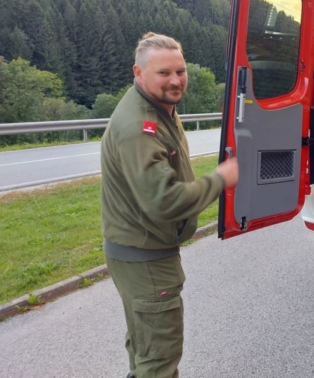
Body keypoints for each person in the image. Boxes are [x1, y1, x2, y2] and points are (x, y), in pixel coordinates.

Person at [101, 32, 238, 378]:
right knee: (159, 360)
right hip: (145, 257)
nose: (175, 80)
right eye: (164, 73)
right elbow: (164, 201)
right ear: (139, 72)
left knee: (145, 348)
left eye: (180, 71)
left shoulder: (160, 107)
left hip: (140, 250)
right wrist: (220, 178)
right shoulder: (139, 128)